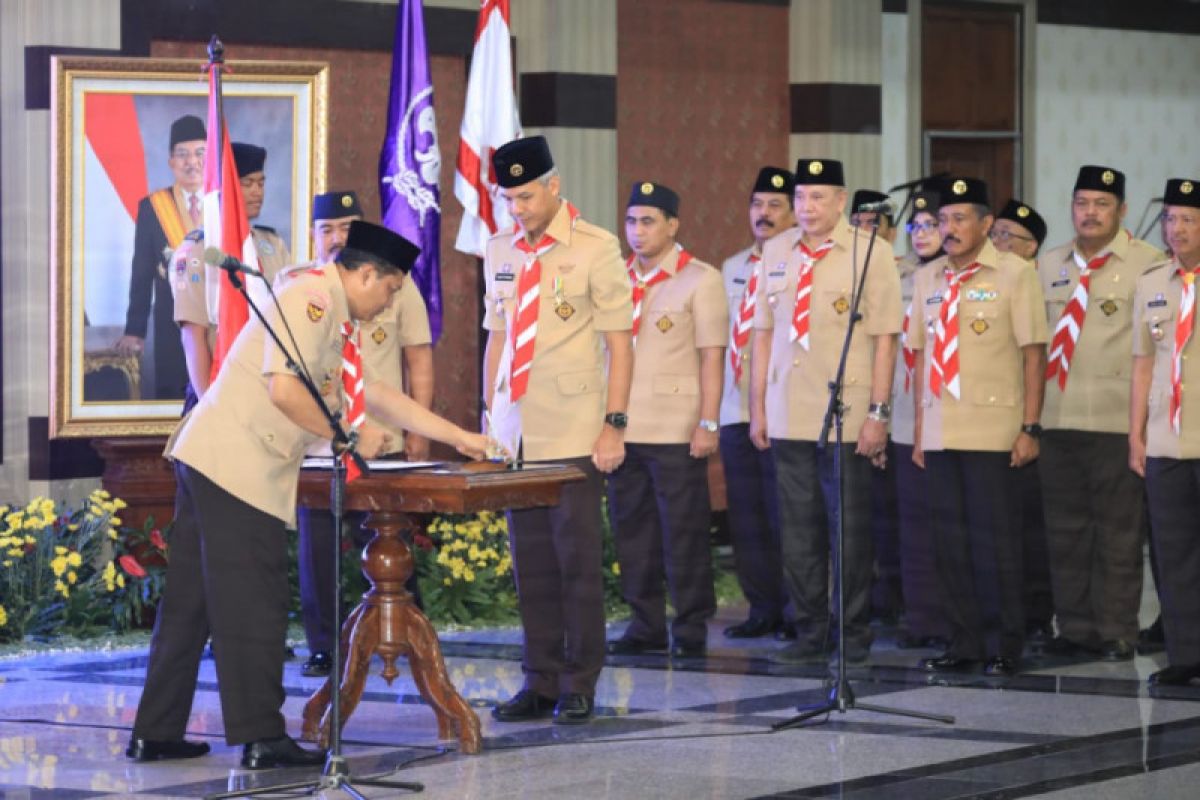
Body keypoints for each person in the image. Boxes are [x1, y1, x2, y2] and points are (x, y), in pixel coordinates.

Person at [126, 221, 488, 768]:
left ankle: (155, 731)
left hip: (212, 457)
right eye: (389, 291)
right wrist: (346, 435)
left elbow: (374, 389)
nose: (389, 305)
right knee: (255, 600)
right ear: (366, 274)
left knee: (190, 603)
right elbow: (284, 389)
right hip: (234, 466)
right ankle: (261, 738)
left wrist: (458, 436)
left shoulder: (328, 307)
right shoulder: (312, 298)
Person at [483, 136, 633, 725]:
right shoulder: (499, 248)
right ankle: (539, 679)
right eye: (508, 198)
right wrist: (489, 419)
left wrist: (614, 426)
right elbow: (497, 338)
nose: (517, 208)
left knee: (576, 562)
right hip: (518, 434)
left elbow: (620, 345)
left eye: (525, 196)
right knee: (533, 566)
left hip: (574, 432)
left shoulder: (596, 247)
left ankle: (579, 681)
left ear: (553, 184)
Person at [749, 158, 902, 665]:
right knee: (798, 529)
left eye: (819, 197)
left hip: (848, 412)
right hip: (788, 408)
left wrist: (878, 412)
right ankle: (810, 627)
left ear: (841, 201)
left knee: (849, 528)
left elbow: (885, 340)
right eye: (800, 198)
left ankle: (851, 631)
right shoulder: (775, 252)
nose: (807, 207)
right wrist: (758, 409)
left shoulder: (870, 253)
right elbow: (763, 335)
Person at [284, 191, 436, 679]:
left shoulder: (393, 283)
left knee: (390, 536)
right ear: (313, 235)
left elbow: (418, 358)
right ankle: (326, 644)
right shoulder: (302, 289)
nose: (336, 238)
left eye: (346, 228)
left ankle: (406, 631)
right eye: (326, 229)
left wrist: (420, 430)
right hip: (320, 441)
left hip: (382, 438)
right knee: (319, 547)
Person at [910, 177, 1048, 678]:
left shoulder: (1014, 274)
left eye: (960, 218)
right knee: (950, 544)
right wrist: (923, 432)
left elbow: (1035, 356)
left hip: (994, 430)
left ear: (987, 224)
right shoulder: (927, 280)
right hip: (943, 431)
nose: (949, 229)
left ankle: (1004, 642)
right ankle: (963, 641)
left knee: (997, 543)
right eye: (943, 220)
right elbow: (923, 360)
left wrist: (1030, 426)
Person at [1038, 166, 1163, 661]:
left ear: (1123, 211)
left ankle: (1116, 630)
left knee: (1118, 532)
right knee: (1064, 531)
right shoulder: (1048, 265)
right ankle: (1073, 628)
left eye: (1102, 204)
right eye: (1082, 203)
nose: (1090, 213)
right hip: (1056, 418)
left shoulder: (1150, 265)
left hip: (1116, 422)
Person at [605, 182, 727, 658]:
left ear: (672, 225)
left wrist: (709, 423)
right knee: (632, 530)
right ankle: (645, 623)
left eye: (648, 221)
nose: (637, 231)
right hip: (622, 428)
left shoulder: (701, 279)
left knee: (684, 531)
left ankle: (692, 625)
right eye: (631, 221)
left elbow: (711, 359)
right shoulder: (615, 277)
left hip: (677, 428)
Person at [719, 166, 795, 640]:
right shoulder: (732, 268)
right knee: (746, 516)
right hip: (736, 409)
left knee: (787, 514)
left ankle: (796, 612)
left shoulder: (801, 266)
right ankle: (761, 607)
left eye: (774, 206)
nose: (763, 215)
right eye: (757, 205)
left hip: (784, 410)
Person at [1130, 177, 1200, 686]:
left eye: (1189, 220)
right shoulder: (1153, 283)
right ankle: (1186, 654)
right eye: (1171, 219)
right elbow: (1142, 365)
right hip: (1165, 437)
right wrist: (1135, 434)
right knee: (1173, 552)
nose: (1178, 229)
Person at [169, 142, 292, 414]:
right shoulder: (196, 252)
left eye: (261, 183)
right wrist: (211, 407)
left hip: (268, 393)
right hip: (217, 390)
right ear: (226, 188)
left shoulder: (271, 245)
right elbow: (194, 337)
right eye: (247, 183)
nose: (257, 192)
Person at [990, 197, 1054, 647]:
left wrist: (1029, 425)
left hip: (1026, 422)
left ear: (1031, 248)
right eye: (994, 234)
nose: (998, 243)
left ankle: (1034, 612)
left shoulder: (1030, 283)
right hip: (987, 423)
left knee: (1028, 527)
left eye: (1008, 237)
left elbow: (1036, 358)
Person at [890, 190, 949, 648]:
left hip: (951, 417)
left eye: (932, 224)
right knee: (912, 527)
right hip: (905, 414)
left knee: (949, 524)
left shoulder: (960, 277)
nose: (924, 233)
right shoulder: (895, 276)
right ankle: (923, 618)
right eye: (916, 226)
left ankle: (957, 617)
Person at [117, 114, 206, 399]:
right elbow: (141, 273)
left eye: (199, 153)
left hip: (220, 324)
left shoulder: (224, 204)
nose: (191, 162)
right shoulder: (153, 208)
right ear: (171, 161)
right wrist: (135, 330)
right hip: (171, 327)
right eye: (183, 155)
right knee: (173, 400)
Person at [991, 199, 1047, 264]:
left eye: (1005, 234)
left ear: (1030, 247)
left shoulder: (1042, 273)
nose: (993, 240)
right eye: (993, 234)